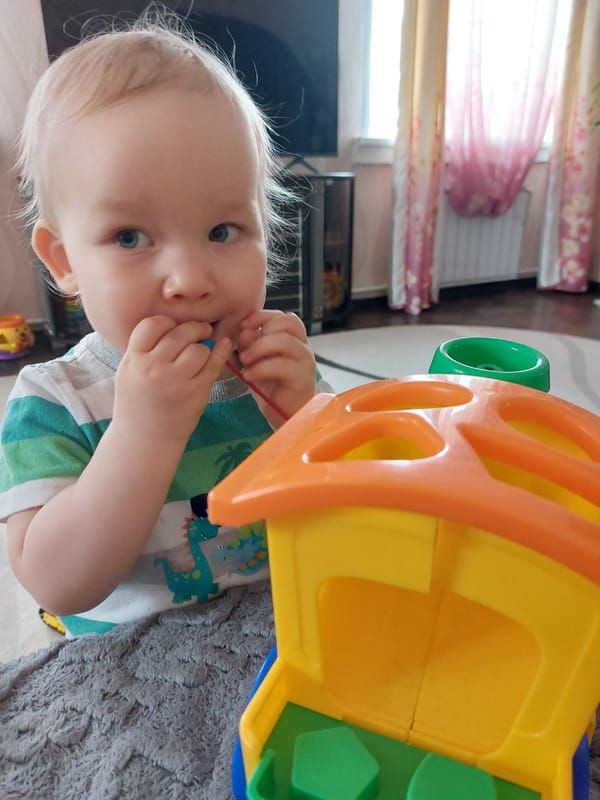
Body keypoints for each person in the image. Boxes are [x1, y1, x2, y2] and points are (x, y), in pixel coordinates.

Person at [0, 21, 328, 637]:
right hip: (131, 666)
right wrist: (144, 433)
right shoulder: (53, 403)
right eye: (130, 237)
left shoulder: (276, 368)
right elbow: (58, 582)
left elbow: (355, 507)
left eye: (223, 232)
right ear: (65, 261)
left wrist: (308, 418)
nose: (189, 279)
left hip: (275, 634)